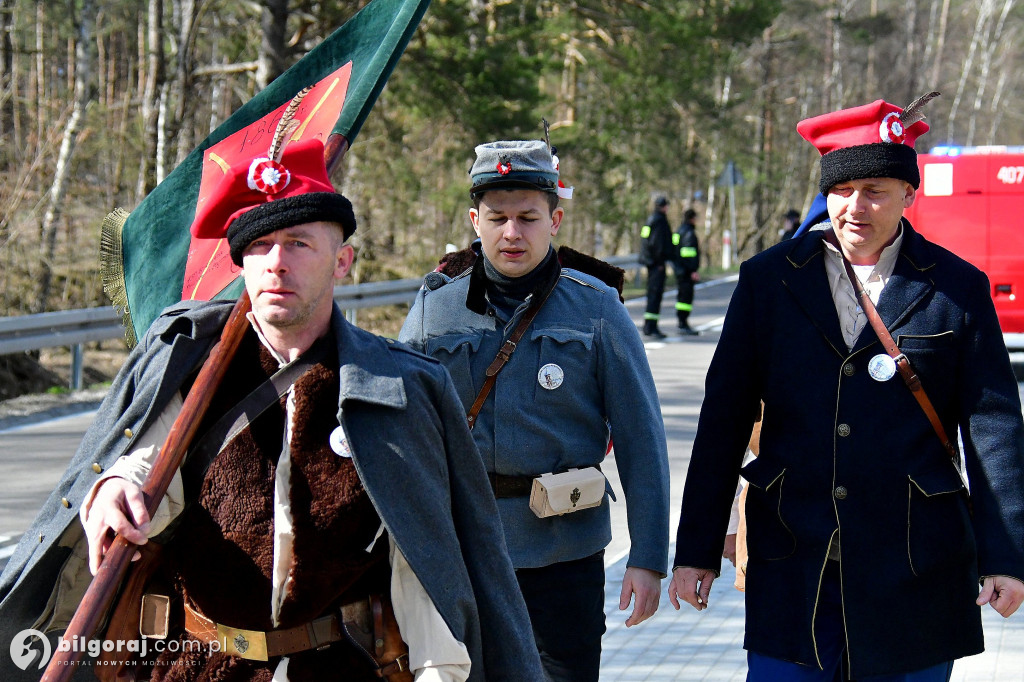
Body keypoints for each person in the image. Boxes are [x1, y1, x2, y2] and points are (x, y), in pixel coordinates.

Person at [0, 133, 544, 681]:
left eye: (299, 243)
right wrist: (112, 489)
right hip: (192, 664)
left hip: (340, 665)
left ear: (343, 261)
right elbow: (144, 462)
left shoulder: (398, 387)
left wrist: (439, 673)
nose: (277, 263)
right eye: (260, 247)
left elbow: (423, 560)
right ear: (240, 262)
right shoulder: (188, 368)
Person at [669, 96, 1024, 680]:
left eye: (877, 190)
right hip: (794, 559)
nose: (856, 207)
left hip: (914, 564)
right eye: (843, 190)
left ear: (911, 194)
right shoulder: (769, 280)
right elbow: (723, 421)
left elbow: (994, 430)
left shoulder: (957, 288)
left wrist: (1006, 557)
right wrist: (697, 551)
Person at [399, 139, 670, 682]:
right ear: (475, 220)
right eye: (497, 217)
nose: (512, 233)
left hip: (564, 551)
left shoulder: (597, 310)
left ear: (556, 220)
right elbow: (399, 435)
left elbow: (643, 439)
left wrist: (647, 557)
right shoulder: (435, 309)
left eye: (528, 217)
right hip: (465, 551)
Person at [639, 195, 674, 338]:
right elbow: (657, 243)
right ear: (663, 206)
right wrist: (660, 262)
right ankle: (651, 327)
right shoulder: (659, 221)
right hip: (656, 264)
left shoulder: (651, 220)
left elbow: (645, 241)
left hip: (650, 263)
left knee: (652, 295)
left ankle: (649, 325)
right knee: (655, 295)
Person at [672, 208, 701, 335]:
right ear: (692, 218)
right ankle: (683, 323)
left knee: (681, 297)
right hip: (686, 271)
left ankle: (681, 322)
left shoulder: (679, 231)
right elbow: (688, 254)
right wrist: (692, 271)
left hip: (679, 269)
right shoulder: (689, 233)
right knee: (686, 297)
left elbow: (675, 250)